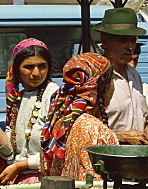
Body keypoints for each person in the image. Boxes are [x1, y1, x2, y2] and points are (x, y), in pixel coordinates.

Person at [0, 39, 58, 185]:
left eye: (42, 66)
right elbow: (9, 153)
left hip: (46, 182)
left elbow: (57, 153)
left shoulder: (54, 96)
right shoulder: (17, 99)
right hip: (19, 182)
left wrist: (19, 165)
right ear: (16, 69)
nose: (36, 73)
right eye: (29, 67)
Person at [43, 52, 119, 180]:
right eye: (112, 80)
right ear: (103, 86)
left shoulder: (55, 124)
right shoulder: (94, 130)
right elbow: (96, 188)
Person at [93, 7, 148, 145]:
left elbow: (141, 117)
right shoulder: (94, 77)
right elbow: (80, 130)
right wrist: (119, 137)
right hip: (105, 161)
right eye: (123, 40)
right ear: (105, 41)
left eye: (132, 40)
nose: (130, 46)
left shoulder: (134, 76)